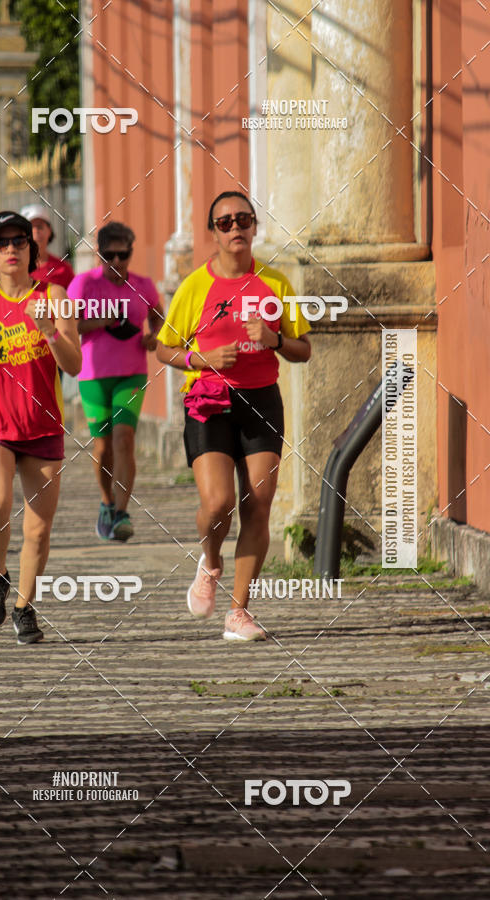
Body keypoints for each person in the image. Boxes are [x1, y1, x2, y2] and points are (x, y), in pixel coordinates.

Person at [156, 191, 311, 642]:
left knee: (258, 504)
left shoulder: (276, 285)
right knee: (218, 503)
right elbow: (165, 348)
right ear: (214, 233)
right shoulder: (194, 287)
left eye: (243, 219)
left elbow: (304, 349)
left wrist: (274, 339)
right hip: (209, 401)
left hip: (261, 400)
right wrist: (200, 359)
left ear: (255, 226)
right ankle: (210, 560)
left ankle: (238, 613)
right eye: (225, 222)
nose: (235, 228)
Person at [0, 210, 82, 644]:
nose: (11, 249)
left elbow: (74, 364)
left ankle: (24, 606)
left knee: (38, 529)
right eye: (1, 243)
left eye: (19, 242)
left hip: (43, 425)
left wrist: (49, 329)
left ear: (32, 249)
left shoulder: (56, 295)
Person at [68, 222, 163, 541]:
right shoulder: (84, 284)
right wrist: (102, 321)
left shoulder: (143, 285)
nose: (117, 262)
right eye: (109, 255)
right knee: (103, 446)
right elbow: (69, 325)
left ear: (131, 254)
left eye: (123, 255)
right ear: (100, 255)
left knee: (124, 439)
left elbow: (158, 315)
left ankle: (122, 513)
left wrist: (155, 337)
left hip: (131, 373)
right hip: (94, 375)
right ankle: (106, 502)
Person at [20, 203, 75, 289]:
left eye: (39, 227)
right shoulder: (12, 268)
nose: (35, 231)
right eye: (30, 228)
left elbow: (72, 300)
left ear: (49, 231)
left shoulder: (63, 269)